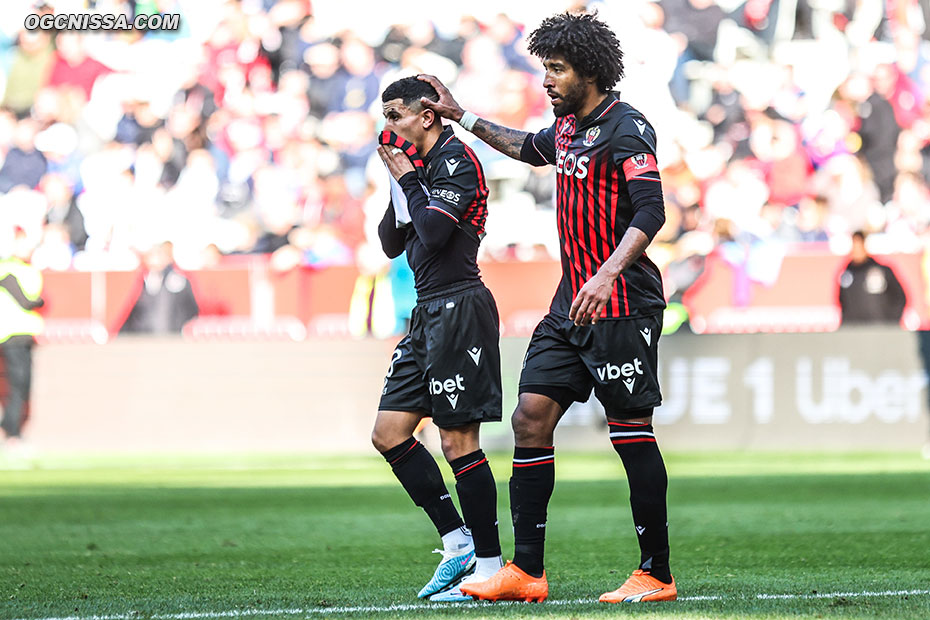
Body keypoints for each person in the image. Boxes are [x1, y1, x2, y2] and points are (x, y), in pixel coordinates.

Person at [419, 11, 676, 604]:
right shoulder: (564, 130)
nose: (548, 82)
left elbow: (651, 212)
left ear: (590, 71)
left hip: (621, 302)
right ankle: (527, 572)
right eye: (546, 70)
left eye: (557, 70)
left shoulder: (628, 129)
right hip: (569, 304)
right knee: (530, 418)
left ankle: (656, 573)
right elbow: (526, 147)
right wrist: (464, 117)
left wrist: (609, 273)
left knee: (630, 431)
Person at [371, 76, 504, 602]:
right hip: (425, 311)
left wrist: (409, 180)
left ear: (426, 116)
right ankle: (457, 542)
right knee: (388, 433)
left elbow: (432, 233)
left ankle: (490, 566)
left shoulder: (456, 160)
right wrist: (397, 182)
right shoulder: (417, 169)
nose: (388, 127)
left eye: (395, 116)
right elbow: (390, 243)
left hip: (461, 306)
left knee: (457, 441)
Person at [0, 228, 44, 450]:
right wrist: (39, 302)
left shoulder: (26, 269)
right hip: (10, 335)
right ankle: (12, 432)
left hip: (23, 336)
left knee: (22, 385)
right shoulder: (7, 270)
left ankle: (12, 429)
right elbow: (26, 301)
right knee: (16, 385)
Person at [118, 242, 199, 335]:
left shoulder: (179, 280)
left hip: (173, 336)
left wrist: (180, 326)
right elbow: (133, 312)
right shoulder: (144, 281)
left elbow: (192, 308)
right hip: (146, 337)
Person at [837, 231, 907, 326]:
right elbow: (841, 300)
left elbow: (899, 297)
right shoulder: (846, 274)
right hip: (853, 328)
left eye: (859, 245)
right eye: (854, 246)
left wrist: (891, 322)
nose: (856, 250)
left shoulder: (881, 271)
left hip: (878, 327)